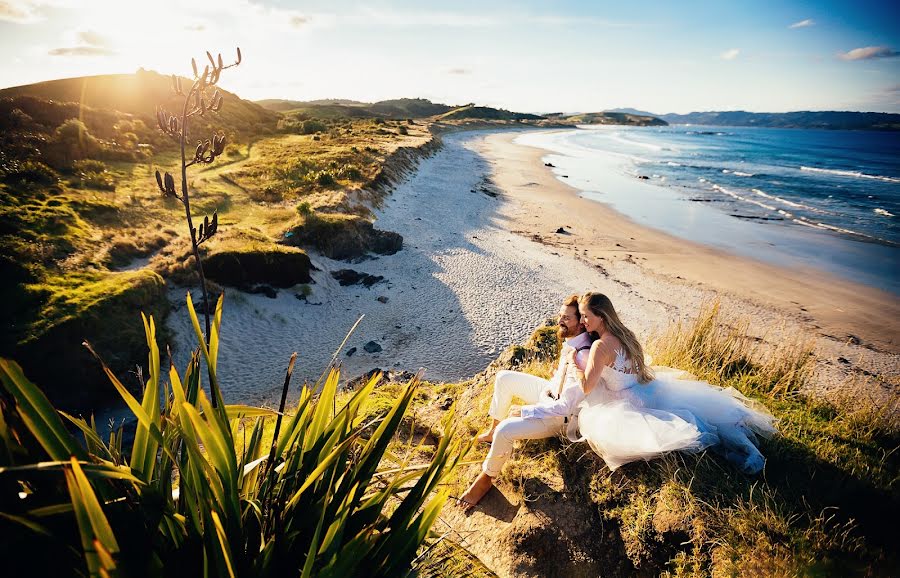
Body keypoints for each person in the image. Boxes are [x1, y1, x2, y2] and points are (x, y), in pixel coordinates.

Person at [572, 292, 776, 474]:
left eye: (585, 315)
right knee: (695, 415)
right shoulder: (626, 335)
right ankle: (739, 447)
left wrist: (575, 366)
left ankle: (728, 455)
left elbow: (587, 387)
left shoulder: (600, 346)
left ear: (601, 316)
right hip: (646, 390)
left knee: (682, 427)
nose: (582, 321)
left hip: (625, 402)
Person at [459, 295, 595, 507]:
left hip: (559, 417)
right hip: (549, 393)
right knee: (504, 377)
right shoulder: (572, 341)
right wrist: (554, 378)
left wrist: (525, 411)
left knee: (507, 429)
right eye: (560, 315)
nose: (560, 321)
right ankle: (492, 432)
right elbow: (562, 381)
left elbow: (566, 406)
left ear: (581, 323)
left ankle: (486, 479)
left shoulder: (583, 355)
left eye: (567, 318)